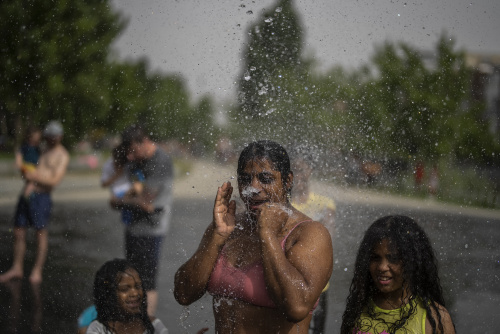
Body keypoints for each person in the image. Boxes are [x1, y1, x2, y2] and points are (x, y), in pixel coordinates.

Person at [174, 140, 333, 334]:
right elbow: (183, 294)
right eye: (245, 179)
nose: (253, 188)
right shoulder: (229, 226)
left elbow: (296, 308)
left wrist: (267, 235)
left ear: (288, 180)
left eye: (265, 178)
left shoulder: (309, 233)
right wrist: (216, 237)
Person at [340, 215, 456, 334]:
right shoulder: (358, 309)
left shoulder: (435, 319)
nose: (382, 267)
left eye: (393, 258)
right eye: (375, 258)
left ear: (412, 262)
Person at [110, 124, 174, 317]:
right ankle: (135, 320)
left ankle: (148, 324)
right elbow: (127, 192)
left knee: (147, 281)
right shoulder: (136, 159)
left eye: (133, 150)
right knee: (132, 277)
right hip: (133, 226)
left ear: (145, 142)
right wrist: (127, 198)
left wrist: (121, 200)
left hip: (152, 229)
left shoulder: (160, 161)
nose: (130, 156)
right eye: (127, 151)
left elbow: (146, 203)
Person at [0, 120, 69, 284]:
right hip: (27, 194)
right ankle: (17, 268)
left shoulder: (62, 155)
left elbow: (54, 180)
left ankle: (37, 270)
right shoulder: (41, 149)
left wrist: (34, 177)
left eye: (54, 136)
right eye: (49, 136)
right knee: (18, 231)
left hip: (42, 197)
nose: (51, 139)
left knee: (40, 233)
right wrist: (24, 168)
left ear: (60, 137)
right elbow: (26, 162)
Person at [290, 151, 336, 334]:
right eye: (293, 171)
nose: (298, 176)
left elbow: (327, 241)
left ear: (310, 171)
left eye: (301, 170)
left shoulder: (325, 205)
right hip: (288, 283)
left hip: (317, 285)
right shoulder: (282, 204)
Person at [86, 258, 168, 334]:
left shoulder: (154, 326)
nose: (135, 293)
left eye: (138, 286)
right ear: (108, 295)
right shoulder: (98, 329)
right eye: (124, 289)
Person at [101, 143, 146, 226]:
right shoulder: (108, 165)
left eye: (121, 162)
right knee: (127, 213)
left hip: (130, 190)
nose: (118, 164)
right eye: (116, 161)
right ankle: (129, 221)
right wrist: (117, 174)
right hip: (117, 193)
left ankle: (133, 218)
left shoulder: (129, 163)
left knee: (137, 188)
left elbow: (137, 181)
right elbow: (103, 184)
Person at [15, 125, 42, 198]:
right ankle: (27, 197)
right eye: (36, 136)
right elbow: (19, 157)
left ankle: (29, 196)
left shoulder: (38, 147)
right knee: (31, 183)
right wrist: (21, 167)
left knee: (33, 183)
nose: (38, 138)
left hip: (35, 167)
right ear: (30, 136)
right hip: (28, 167)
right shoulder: (25, 146)